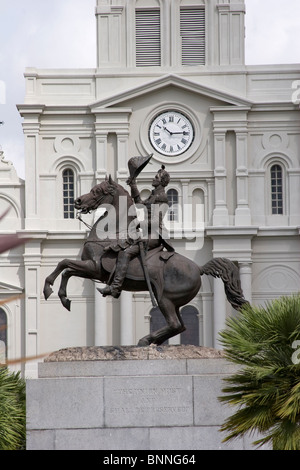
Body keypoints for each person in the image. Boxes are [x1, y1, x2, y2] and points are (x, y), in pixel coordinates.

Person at [98, 165, 173, 298]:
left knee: (126, 253)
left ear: (161, 181)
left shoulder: (162, 197)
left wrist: (139, 222)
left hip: (154, 235)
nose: (153, 179)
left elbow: (156, 221)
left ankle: (115, 287)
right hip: (146, 232)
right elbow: (139, 202)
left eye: (156, 177)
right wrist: (133, 185)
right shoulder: (154, 195)